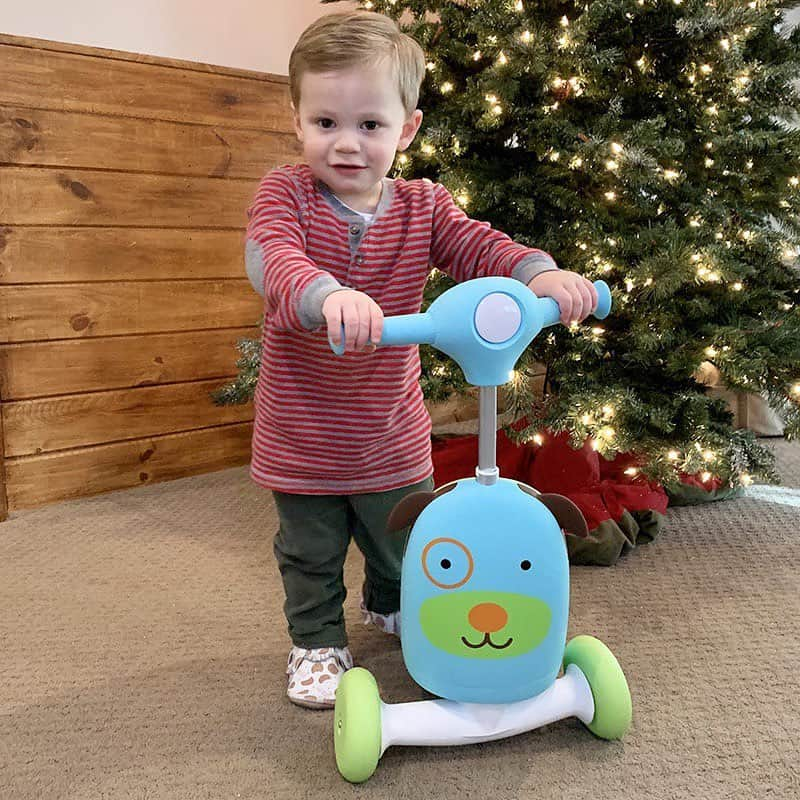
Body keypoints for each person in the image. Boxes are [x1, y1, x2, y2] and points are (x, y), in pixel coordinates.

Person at [245, 10, 598, 709]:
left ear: (405, 128)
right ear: (296, 121)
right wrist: (326, 294)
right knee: (310, 553)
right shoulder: (284, 193)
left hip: (390, 427)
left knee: (399, 536)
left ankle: (388, 600)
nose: (346, 144)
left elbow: (479, 247)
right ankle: (317, 642)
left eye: (370, 126)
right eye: (325, 124)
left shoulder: (424, 204)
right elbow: (270, 257)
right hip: (304, 428)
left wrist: (536, 275)